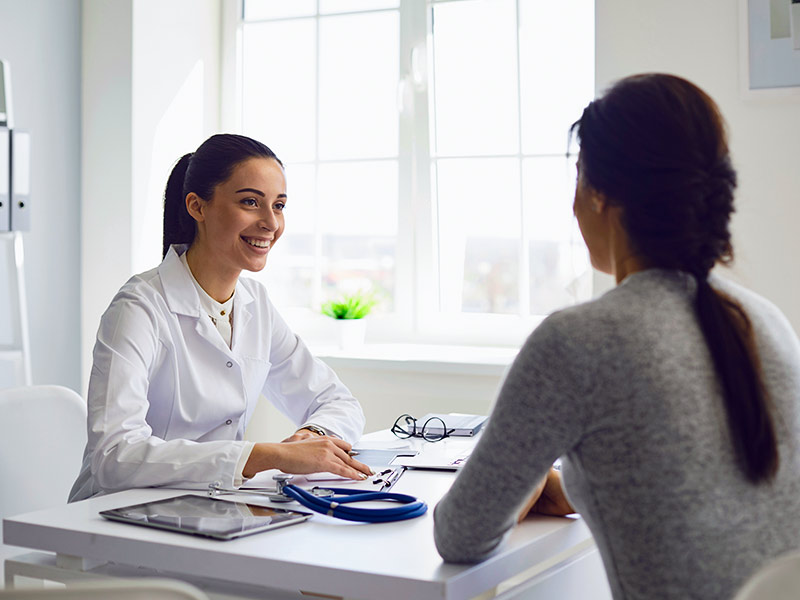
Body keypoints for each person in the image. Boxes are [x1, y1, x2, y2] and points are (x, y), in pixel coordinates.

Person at [433, 74, 800, 599]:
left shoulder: (578, 340)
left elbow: (460, 534)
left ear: (600, 193)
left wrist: (522, 487)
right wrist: (581, 487)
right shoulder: (764, 320)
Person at [70, 134, 371, 502]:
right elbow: (115, 457)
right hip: (114, 518)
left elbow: (338, 401)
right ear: (197, 207)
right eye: (250, 202)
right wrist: (265, 455)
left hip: (210, 507)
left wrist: (312, 436)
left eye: (279, 206)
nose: (270, 223)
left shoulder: (254, 303)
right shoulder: (139, 307)